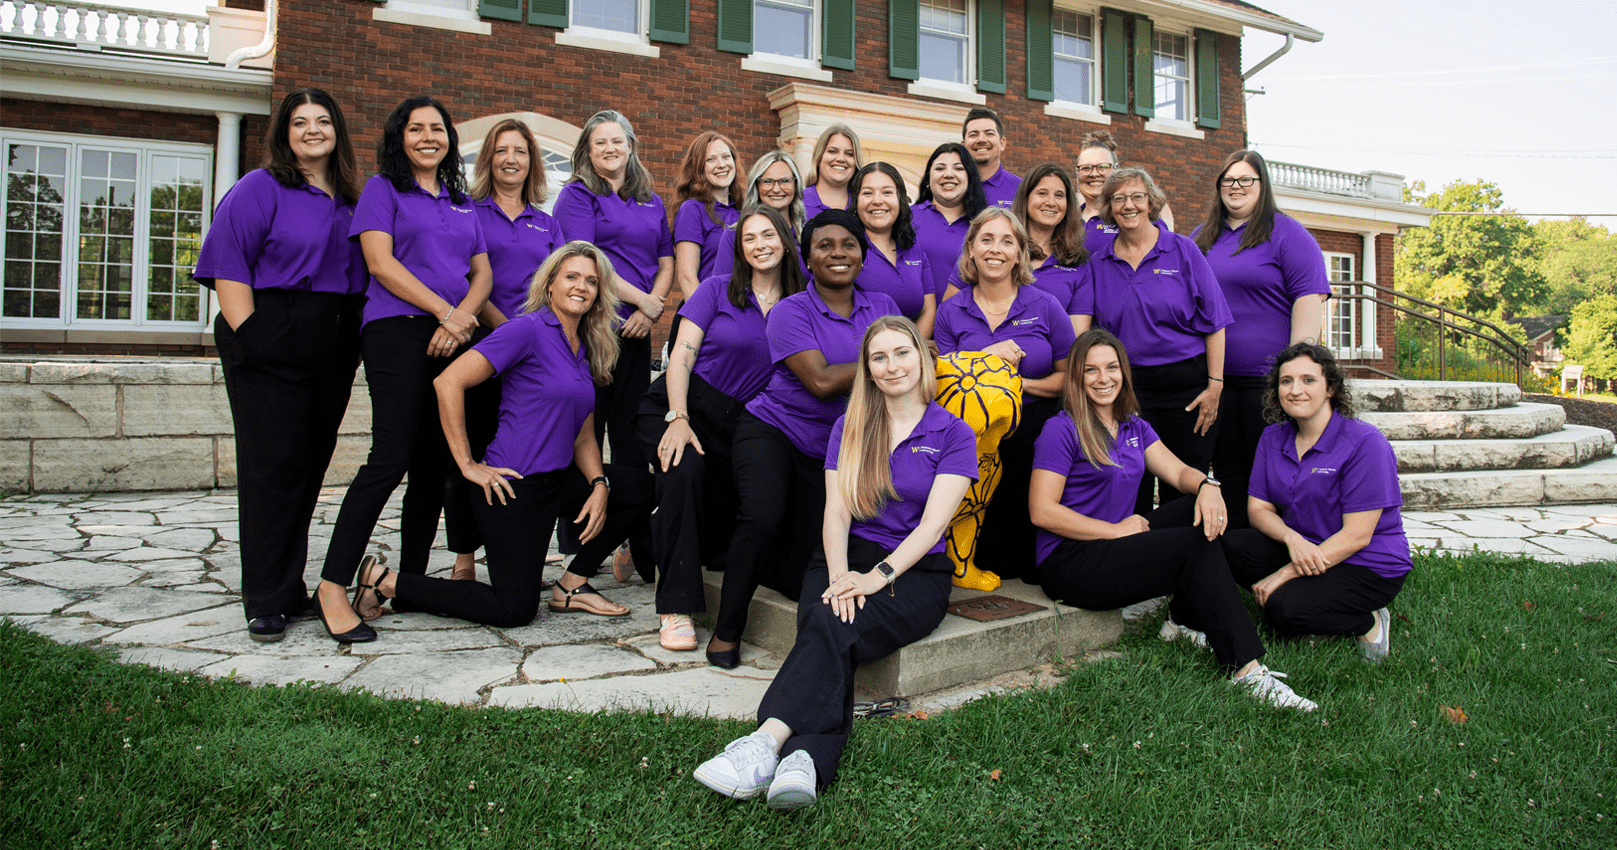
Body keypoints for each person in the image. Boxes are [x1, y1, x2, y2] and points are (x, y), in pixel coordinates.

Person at [693, 316, 977, 808]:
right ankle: (804, 762)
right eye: (879, 357)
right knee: (828, 618)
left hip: (914, 572)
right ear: (867, 369)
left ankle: (765, 741)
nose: (892, 366)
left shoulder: (954, 432)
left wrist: (874, 579)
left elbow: (932, 528)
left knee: (826, 621)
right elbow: (837, 513)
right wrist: (842, 573)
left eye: (902, 353)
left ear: (922, 357)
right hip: (843, 556)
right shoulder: (850, 425)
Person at [351, 243, 653, 626]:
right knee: (515, 610)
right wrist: (467, 464)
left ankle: (572, 584)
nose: (582, 286)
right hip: (512, 488)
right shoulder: (526, 329)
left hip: (559, 482)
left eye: (591, 281)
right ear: (549, 285)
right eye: (572, 277)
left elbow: (583, 435)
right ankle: (386, 581)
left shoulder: (584, 347)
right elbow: (449, 382)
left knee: (645, 489)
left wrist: (598, 484)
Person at [1029, 329, 1317, 711]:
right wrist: (1113, 531)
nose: (1103, 378)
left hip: (1115, 544)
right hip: (1069, 561)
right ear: (1076, 378)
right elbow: (1042, 510)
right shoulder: (1062, 429)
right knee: (1190, 547)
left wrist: (1208, 486)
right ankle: (1247, 671)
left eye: (1112, 367)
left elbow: (1179, 472)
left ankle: (1182, 622)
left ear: (1124, 372)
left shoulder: (1132, 425)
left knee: (1200, 510)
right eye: (1090, 370)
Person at [313, 95, 491, 643]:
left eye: (437, 129)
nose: (428, 137)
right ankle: (332, 586)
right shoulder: (382, 190)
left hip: (453, 333)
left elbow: (481, 275)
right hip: (396, 331)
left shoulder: (462, 202)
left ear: (449, 140)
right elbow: (379, 262)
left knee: (434, 466)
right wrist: (444, 311)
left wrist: (459, 319)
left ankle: (405, 583)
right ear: (400, 137)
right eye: (416, 129)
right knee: (389, 459)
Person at [193, 87, 367, 643]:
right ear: (284, 133)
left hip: (333, 340)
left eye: (323, 120)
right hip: (271, 329)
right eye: (300, 122)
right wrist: (255, 337)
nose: (312, 130)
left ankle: (290, 588)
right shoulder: (260, 187)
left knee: (308, 466)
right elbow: (228, 265)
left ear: (337, 130)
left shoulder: (352, 198)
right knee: (271, 469)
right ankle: (265, 599)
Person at [707, 209, 901, 669]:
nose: (838, 253)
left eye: (848, 244)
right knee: (762, 515)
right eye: (824, 246)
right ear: (808, 259)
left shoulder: (884, 307)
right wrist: (890, 361)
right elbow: (822, 381)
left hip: (835, 448)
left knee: (802, 575)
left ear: (863, 255)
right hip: (775, 429)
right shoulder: (790, 310)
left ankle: (764, 561)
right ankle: (727, 630)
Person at [633, 205, 808, 650]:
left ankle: (639, 537)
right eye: (749, 238)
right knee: (683, 467)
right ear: (739, 248)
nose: (760, 245)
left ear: (786, 241)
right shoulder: (716, 290)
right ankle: (676, 607)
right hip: (683, 401)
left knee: (732, 526)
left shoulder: (803, 302)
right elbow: (681, 356)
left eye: (768, 235)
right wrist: (678, 418)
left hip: (744, 423)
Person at [1220, 343, 1410, 663]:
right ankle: (1315, 603)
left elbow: (1357, 536)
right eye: (1286, 381)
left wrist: (1284, 574)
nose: (1295, 390)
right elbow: (1258, 510)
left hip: (1366, 563)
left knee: (1284, 610)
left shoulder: (1365, 443)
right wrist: (1292, 539)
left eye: (1308, 380)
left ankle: (1369, 621)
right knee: (1231, 547)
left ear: (1330, 388)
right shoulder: (1272, 437)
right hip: (1306, 545)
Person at [442, 118, 568, 583]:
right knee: (473, 447)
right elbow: (462, 277)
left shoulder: (547, 222)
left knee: (517, 447)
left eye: (520, 151)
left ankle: (511, 545)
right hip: (483, 345)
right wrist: (508, 329)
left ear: (532, 162)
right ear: (488, 160)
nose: (511, 159)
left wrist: (535, 337)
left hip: (533, 357)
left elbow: (559, 286)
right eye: (501, 151)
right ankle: (464, 558)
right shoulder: (467, 211)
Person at [933, 208, 1075, 581]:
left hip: (1034, 431)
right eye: (986, 239)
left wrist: (1016, 384)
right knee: (979, 539)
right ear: (971, 249)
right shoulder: (950, 310)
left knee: (1021, 562)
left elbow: (1071, 377)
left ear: (1019, 253)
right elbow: (943, 381)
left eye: (1007, 241)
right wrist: (988, 358)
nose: (996, 249)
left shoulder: (1046, 305)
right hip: (972, 436)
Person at [1192, 150, 1331, 527]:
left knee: (1272, 472)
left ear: (1262, 185)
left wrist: (1296, 373)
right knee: (1228, 470)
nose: (1235, 187)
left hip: (1265, 383)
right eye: (1228, 180)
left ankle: (1286, 542)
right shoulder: (1201, 238)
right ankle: (1238, 544)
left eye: (1245, 180)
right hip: (1215, 383)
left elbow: (1308, 300)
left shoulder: (1288, 234)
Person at [553, 110, 673, 532]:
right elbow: (586, 261)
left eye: (617, 140)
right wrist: (644, 300)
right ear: (588, 150)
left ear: (630, 146)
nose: (610, 148)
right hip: (592, 329)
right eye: (600, 142)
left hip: (636, 332)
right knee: (585, 427)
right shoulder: (577, 195)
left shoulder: (650, 200)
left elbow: (666, 260)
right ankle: (577, 535)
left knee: (630, 435)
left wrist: (648, 309)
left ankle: (627, 538)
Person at [1088, 166, 1231, 516]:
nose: (1129, 205)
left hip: (1188, 389)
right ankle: (1136, 548)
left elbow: (1215, 323)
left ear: (1151, 202)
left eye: (1137, 197)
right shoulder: (1099, 262)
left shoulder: (1183, 250)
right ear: (1108, 207)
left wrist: (1215, 386)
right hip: (1129, 389)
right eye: (1119, 199)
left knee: (1183, 489)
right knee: (1130, 483)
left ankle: (1179, 548)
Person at [669, 131, 743, 345]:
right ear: (698, 167)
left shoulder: (745, 210)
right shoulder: (692, 209)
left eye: (726, 157)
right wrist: (709, 323)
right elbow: (687, 277)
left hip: (739, 318)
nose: (721, 164)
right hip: (705, 321)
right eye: (711, 159)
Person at [849, 161, 935, 334]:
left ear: (900, 199)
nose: (877, 201)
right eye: (867, 193)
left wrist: (914, 346)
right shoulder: (847, 250)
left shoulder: (914, 250)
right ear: (856, 201)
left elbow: (928, 310)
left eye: (887, 192)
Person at [1010, 162, 1092, 335]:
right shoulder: (1001, 248)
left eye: (1059, 195)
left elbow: (1077, 336)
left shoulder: (1077, 263)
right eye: (1042, 193)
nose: (1051, 202)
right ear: (1026, 198)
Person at [1073, 130, 1175, 254]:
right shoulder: (1067, 218)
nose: (1094, 174)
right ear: (1077, 173)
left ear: (1116, 171)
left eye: (1103, 167)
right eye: (1086, 168)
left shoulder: (1134, 214)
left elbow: (1166, 254)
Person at [711, 151, 807, 278]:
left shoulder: (807, 234)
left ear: (796, 185)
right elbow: (720, 285)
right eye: (767, 181)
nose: (776, 189)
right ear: (756, 185)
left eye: (785, 181)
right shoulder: (735, 235)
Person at [911, 142, 986, 302]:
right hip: (909, 316)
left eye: (958, 168)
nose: (949, 174)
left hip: (965, 315)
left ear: (970, 178)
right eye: (940, 168)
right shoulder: (907, 218)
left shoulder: (984, 226)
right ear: (928, 179)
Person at [802, 124, 863, 220]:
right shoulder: (797, 202)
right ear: (819, 157)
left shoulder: (863, 205)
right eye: (832, 151)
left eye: (849, 154)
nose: (841, 159)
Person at [962, 107, 1019, 208]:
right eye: (973, 135)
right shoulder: (952, 187)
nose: (981, 140)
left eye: (989, 134)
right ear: (963, 146)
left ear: (1002, 143)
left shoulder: (1021, 189)